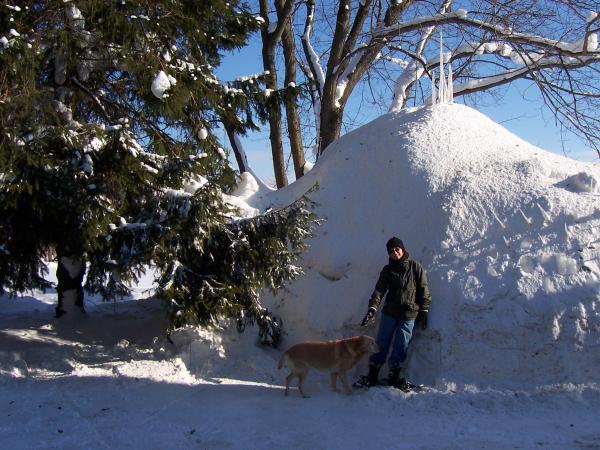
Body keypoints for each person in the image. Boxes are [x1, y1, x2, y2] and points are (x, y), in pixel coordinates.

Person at [354, 236, 431, 391]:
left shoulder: (415, 267)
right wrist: (372, 307)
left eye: (397, 249)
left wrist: (424, 309)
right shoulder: (388, 270)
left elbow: (423, 289)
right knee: (381, 343)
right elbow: (379, 290)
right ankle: (372, 375)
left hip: (409, 314)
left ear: (402, 249)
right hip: (390, 313)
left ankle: (394, 376)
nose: (395, 253)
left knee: (401, 344)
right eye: (391, 251)